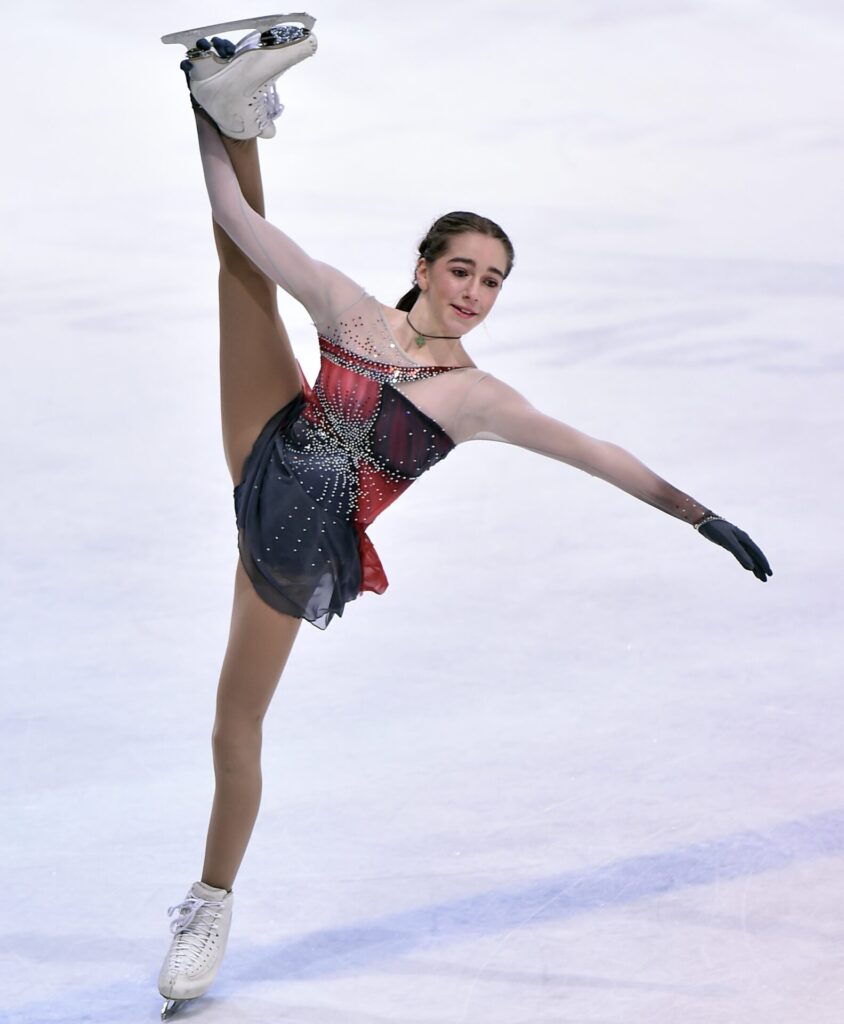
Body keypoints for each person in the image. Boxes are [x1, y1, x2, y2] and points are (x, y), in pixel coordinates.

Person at [157, 17, 772, 1016]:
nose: (476, 293)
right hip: (268, 440)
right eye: (462, 270)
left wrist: (698, 516)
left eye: (492, 280)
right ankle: (235, 102)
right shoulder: (352, 313)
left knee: (235, 727)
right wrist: (194, 107)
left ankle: (209, 900)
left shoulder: (478, 398)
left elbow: (596, 452)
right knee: (243, 276)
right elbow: (236, 221)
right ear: (425, 262)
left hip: (297, 541)